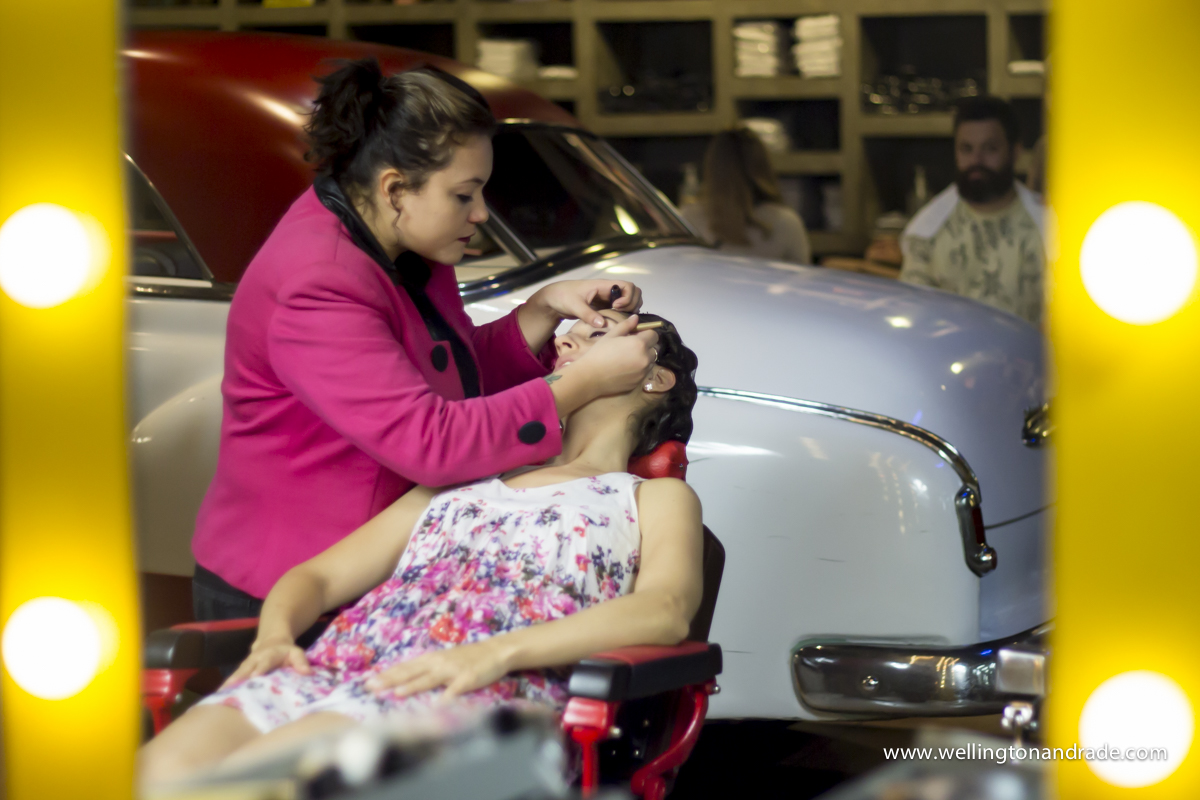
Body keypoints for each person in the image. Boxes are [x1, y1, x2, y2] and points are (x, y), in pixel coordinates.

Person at [139, 311, 703, 788]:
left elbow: (666, 610)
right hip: (342, 664)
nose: (565, 339)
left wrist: (496, 654)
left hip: (472, 688)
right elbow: (316, 578)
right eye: (571, 330)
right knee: (155, 774)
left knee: (248, 787)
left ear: (655, 377)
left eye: (602, 333)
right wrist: (275, 635)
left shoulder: (651, 499)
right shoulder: (466, 478)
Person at [191, 58, 660, 621]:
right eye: (465, 195)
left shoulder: (400, 239)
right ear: (395, 189)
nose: (481, 214)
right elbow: (433, 443)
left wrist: (544, 308)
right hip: (293, 587)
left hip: (378, 566)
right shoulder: (318, 282)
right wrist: (579, 383)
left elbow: (445, 377)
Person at [899, 96, 1046, 326]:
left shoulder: (1049, 228)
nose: (976, 161)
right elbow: (915, 319)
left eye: (990, 149)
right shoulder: (927, 232)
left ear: (1015, 152)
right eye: (966, 149)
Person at [679, 127, 811, 264]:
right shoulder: (786, 222)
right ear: (763, 167)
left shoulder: (687, 221)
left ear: (712, 168)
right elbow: (802, 279)